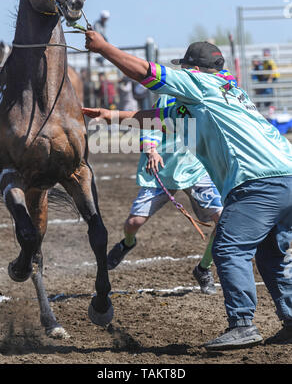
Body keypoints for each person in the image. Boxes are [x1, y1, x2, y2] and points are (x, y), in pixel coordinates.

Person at [83, 31, 292, 351]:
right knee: (270, 254)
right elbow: (161, 118)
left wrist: (104, 48)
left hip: (257, 182)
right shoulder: (224, 91)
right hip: (286, 178)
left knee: (228, 250)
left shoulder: (200, 85)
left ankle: (242, 324)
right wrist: (112, 116)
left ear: (193, 70)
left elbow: (145, 72)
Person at [107, 93, 223, 295]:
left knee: (222, 221)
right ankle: (127, 243)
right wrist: (151, 150)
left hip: (195, 170)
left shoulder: (204, 98)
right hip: (161, 169)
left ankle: (203, 269)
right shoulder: (166, 99)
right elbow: (149, 125)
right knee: (133, 223)